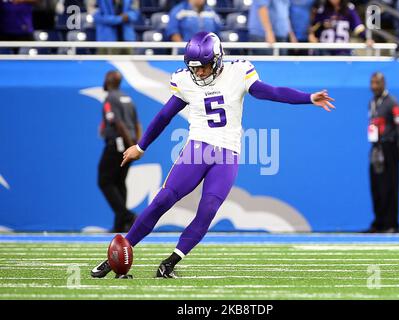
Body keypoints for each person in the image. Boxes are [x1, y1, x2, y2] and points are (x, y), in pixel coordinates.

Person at [91, 31, 335, 279]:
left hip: (227, 154)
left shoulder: (237, 72)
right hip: (197, 149)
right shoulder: (185, 80)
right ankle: (116, 256)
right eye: (194, 68)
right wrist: (141, 146)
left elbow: (271, 92)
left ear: (218, 59)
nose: (199, 73)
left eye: (204, 67)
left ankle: (170, 263)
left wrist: (308, 98)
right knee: (163, 199)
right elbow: (164, 116)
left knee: (208, 208)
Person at [98, 70, 141, 233]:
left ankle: (127, 216)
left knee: (105, 181)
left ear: (109, 80)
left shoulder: (110, 98)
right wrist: (136, 145)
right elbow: (137, 124)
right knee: (119, 182)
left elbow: (117, 123)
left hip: (117, 144)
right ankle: (120, 225)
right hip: (128, 144)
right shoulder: (128, 99)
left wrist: (130, 144)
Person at [366, 72, 399, 233]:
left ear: (383, 83)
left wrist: (398, 147)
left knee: (390, 186)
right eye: (371, 83)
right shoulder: (372, 102)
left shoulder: (391, 102)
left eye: (376, 83)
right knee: (376, 186)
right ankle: (379, 222)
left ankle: (392, 223)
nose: (373, 86)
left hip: (389, 147)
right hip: (376, 147)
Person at [308, 0, 373, 55]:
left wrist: (366, 38)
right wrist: (321, 27)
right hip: (324, 50)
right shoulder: (323, 8)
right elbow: (314, 28)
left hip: (343, 50)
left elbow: (358, 27)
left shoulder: (348, 8)